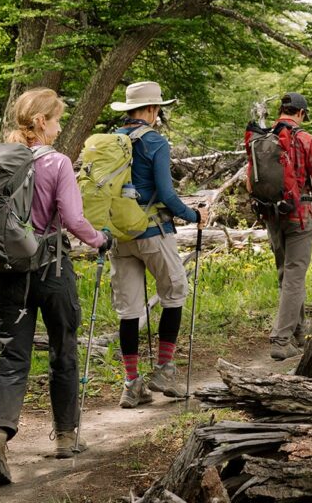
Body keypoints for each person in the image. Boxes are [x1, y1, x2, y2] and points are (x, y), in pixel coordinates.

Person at [0, 88, 113, 485]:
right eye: (56, 120)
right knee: (62, 349)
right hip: (52, 271)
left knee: (12, 358)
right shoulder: (57, 163)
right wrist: (100, 240)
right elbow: (72, 218)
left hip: (10, 274)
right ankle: (66, 438)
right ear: (40, 122)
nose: (58, 127)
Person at [107, 81, 208, 408]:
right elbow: (165, 194)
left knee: (130, 311)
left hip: (120, 237)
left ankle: (131, 384)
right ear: (151, 110)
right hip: (153, 233)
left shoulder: (111, 142)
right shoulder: (155, 142)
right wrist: (193, 215)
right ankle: (164, 371)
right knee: (174, 293)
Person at [246, 92, 312, 360]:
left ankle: (298, 332)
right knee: (295, 276)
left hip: (271, 215)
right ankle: (281, 340)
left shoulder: (263, 138)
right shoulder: (305, 139)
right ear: (300, 113)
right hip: (299, 215)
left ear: (281, 110)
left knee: (285, 274)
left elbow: (248, 183)